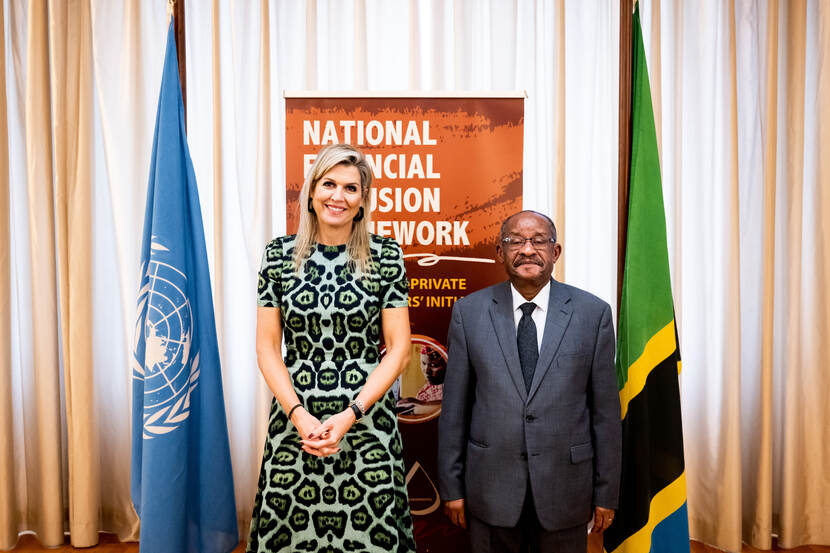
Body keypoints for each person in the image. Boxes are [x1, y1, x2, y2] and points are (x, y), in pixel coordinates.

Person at [247, 144, 417, 553]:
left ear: (362, 201)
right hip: (295, 420)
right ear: (311, 192)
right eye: (329, 184)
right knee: (289, 534)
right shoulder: (278, 256)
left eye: (350, 188)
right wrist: (299, 416)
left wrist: (350, 415)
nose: (338, 196)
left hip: (366, 419)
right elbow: (268, 349)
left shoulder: (386, 256)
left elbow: (399, 349)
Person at [437, 210, 621, 553]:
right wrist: (452, 487)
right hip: (490, 491)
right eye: (515, 241)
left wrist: (606, 492)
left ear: (556, 252)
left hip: (566, 491)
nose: (527, 250)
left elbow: (605, 414)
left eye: (538, 241)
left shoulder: (592, 314)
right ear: (499, 252)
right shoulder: (469, 312)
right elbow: (454, 411)